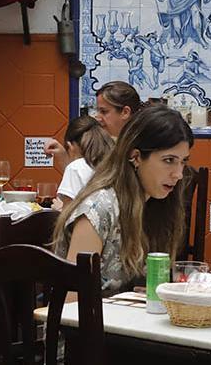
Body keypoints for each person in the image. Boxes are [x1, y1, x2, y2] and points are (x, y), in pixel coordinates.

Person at [54, 105, 193, 295]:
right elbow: (72, 304)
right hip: (84, 322)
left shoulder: (158, 206)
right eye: (169, 160)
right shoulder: (98, 209)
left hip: (132, 321)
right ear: (135, 157)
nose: (178, 174)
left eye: (183, 161)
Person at [52, 116, 115, 210]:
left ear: (70, 146)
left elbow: (68, 219)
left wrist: (59, 209)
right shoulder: (115, 163)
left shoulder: (75, 168)